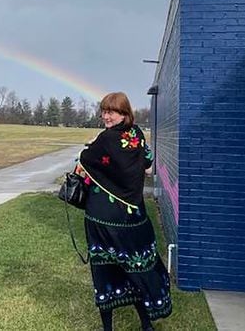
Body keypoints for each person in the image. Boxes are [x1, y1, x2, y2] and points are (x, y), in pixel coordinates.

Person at [73, 91, 172, 330]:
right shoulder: (137, 135)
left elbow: (83, 161)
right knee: (137, 267)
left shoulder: (105, 140)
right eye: (104, 111)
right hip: (134, 217)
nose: (105, 116)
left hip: (102, 219)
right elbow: (148, 167)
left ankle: (108, 327)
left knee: (105, 270)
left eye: (111, 111)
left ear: (124, 113)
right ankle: (146, 323)